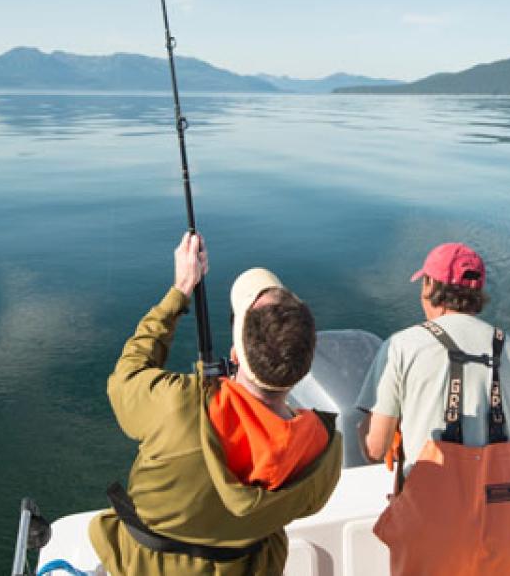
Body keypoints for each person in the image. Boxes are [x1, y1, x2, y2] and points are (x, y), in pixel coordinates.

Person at [89, 233, 343, 576]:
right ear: (304, 366)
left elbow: (125, 378)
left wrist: (180, 290)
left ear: (236, 355)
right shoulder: (322, 451)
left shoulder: (178, 406)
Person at [356, 242, 510, 575]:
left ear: (430, 287)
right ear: (478, 292)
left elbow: (375, 448)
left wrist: (366, 431)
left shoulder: (402, 346)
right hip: (505, 526)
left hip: (432, 527)